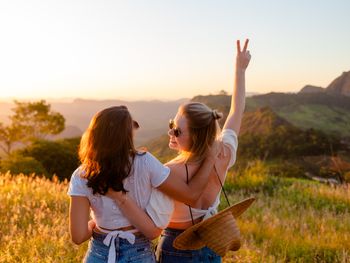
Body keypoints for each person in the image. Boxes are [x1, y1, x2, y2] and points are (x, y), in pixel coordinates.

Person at [107, 39, 251, 262]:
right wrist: (240, 70)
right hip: (212, 239)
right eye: (171, 125)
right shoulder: (224, 153)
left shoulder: (169, 172)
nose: (170, 133)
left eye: (177, 131)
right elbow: (236, 111)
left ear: (195, 137)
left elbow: (150, 220)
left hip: (177, 246)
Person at [67, 105, 217, 263]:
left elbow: (78, 236)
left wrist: (96, 224)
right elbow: (191, 196)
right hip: (138, 252)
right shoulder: (145, 162)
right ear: (126, 135)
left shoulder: (81, 175)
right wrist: (210, 158)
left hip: (99, 252)